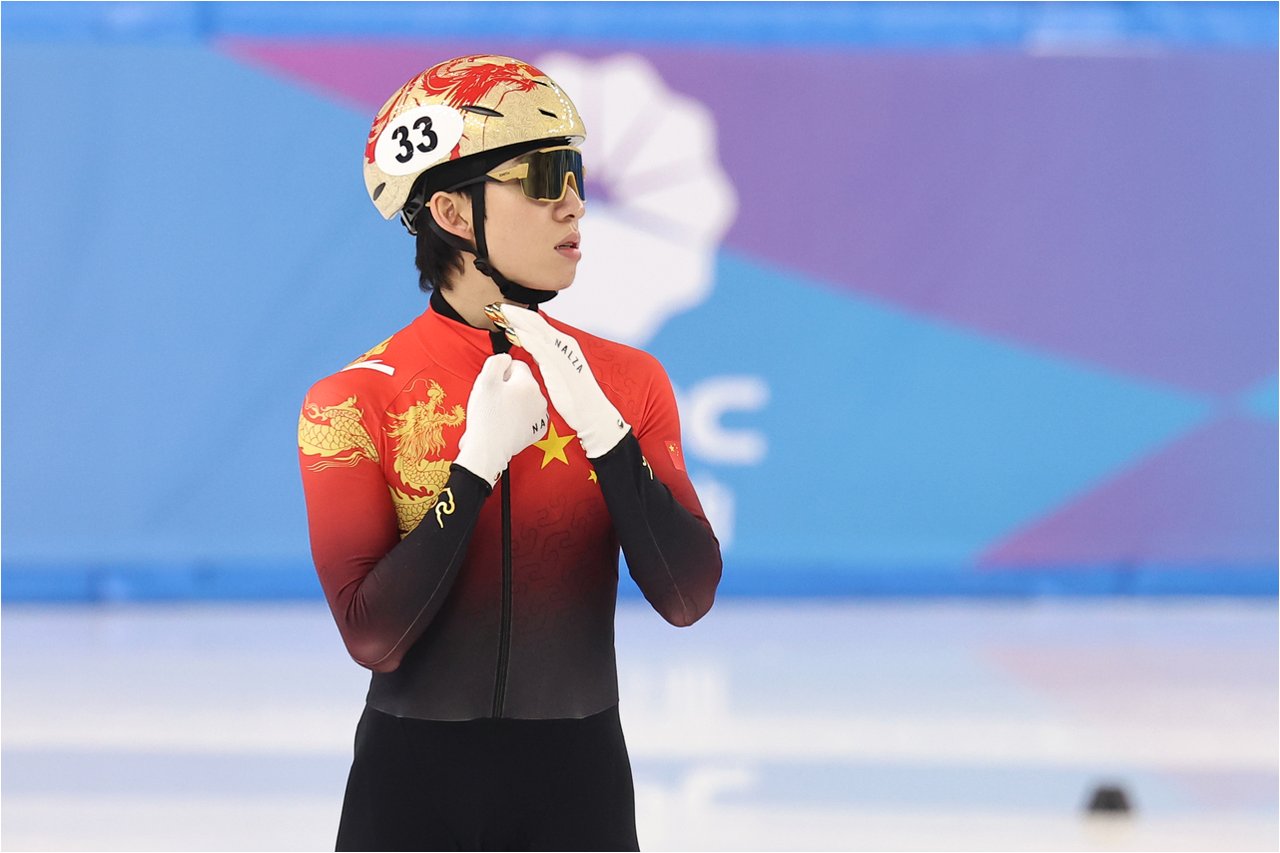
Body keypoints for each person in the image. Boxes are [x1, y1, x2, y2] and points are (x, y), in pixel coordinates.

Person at [297, 54, 723, 851]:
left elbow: (686, 596)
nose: (575, 204)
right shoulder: (353, 400)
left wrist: (605, 434)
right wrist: (472, 470)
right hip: (409, 797)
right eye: (543, 177)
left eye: (576, 175)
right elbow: (373, 637)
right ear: (453, 213)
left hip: (579, 793)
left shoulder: (626, 382)